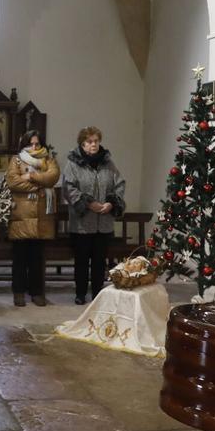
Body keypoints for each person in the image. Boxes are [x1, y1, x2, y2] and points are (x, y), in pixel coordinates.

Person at [62, 126, 126, 304]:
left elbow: (119, 184)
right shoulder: (73, 164)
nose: (94, 144)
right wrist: (88, 203)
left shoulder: (108, 163)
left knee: (99, 262)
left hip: (104, 222)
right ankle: (80, 294)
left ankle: (98, 294)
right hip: (82, 223)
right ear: (82, 144)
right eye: (90, 142)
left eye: (96, 141)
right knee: (82, 261)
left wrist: (111, 202)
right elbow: (68, 188)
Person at [5, 129, 60, 306]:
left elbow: (52, 177)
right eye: (31, 143)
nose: (34, 147)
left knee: (37, 258)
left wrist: (31, 176)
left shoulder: (48, 159)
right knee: (19, 257)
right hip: (21, 215)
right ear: (25, 144)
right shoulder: (16, 160)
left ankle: (37, 292)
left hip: (42, 217)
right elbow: (13, 182)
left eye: (37, 143)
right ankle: (18, 292)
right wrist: (39, 186)